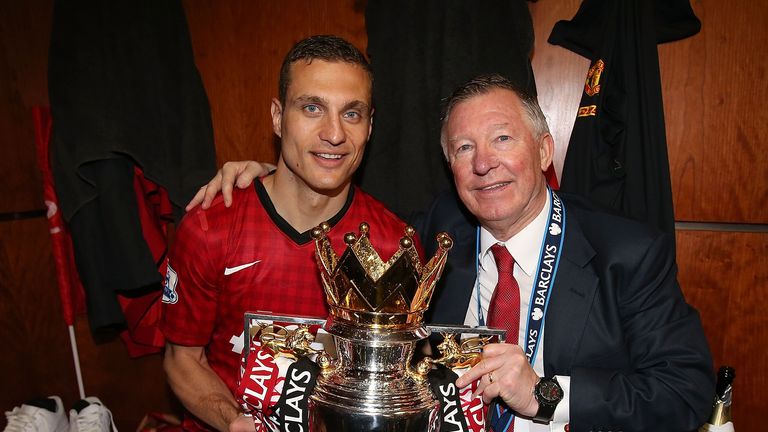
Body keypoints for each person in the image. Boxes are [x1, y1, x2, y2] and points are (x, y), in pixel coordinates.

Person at [189, 74, 714, 431]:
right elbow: (332, 197)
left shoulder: (624, 252)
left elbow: (686, 392)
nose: (484, 164)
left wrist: (546, 395)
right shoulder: (434, 236)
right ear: (450, 167)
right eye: (464, 149)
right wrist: (264, 175)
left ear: (545, 150)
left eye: (503, 139)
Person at [160, 35, 413, 432]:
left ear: (370, 126)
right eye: (312, 108)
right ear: (278, 118)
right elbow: (182, 359)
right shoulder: (211, 227)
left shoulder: (392, 246)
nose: (334, 134)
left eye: (352, 113)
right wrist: (234, 423)